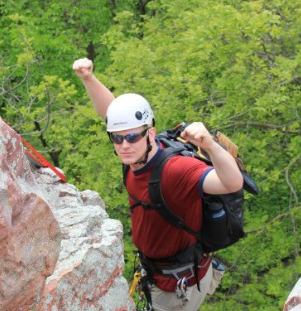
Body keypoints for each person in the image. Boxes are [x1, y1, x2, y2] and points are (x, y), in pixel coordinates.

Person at [72, 58, 243, 311]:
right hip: (159, 274)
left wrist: (209, 145)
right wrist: (88, 78)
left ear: (150, 133)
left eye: (132, 137)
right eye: (117, 139)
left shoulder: (174, 170)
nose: (124, 145)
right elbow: (111, 112)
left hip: (176, 287)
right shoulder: (135, 156)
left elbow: (231, 183)